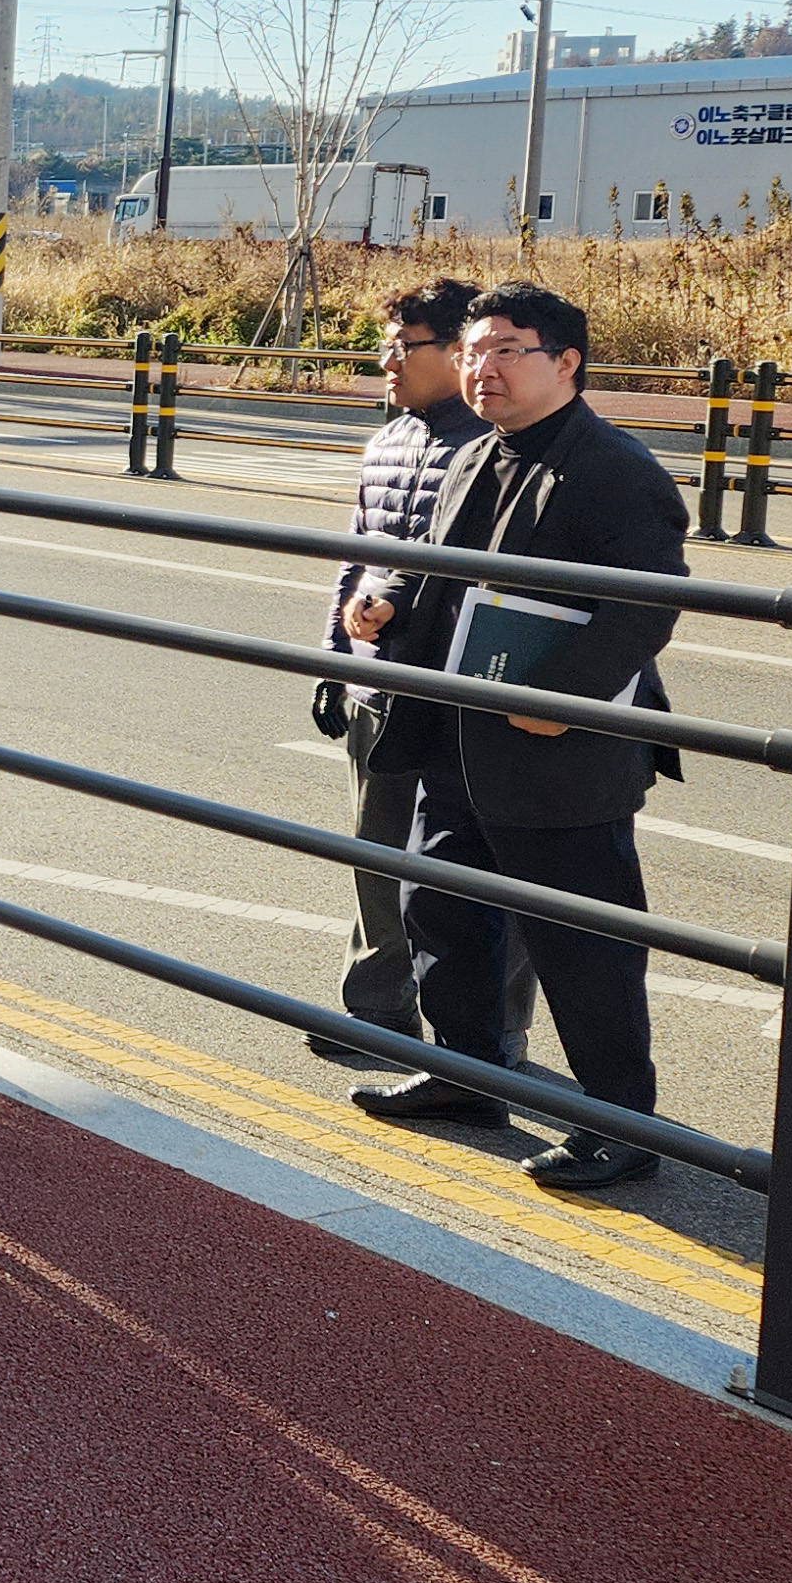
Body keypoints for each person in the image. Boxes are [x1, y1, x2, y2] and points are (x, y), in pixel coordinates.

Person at [349, 279, 687, 1192]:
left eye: (505, 350)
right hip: (458, 731)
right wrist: (389, 603)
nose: (480, 368)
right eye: (470, 351)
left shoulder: (617, 470)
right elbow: (443, 578)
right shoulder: (478, 455)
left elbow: (645, 610)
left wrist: (570, 699)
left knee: (583, 942)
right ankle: (467, 1076)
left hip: (559, 749)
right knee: (441, 909)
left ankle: (622, 1124)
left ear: (566, 361)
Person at [311, 278, 532, 1060]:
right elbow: (359, 556)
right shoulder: (390, 439)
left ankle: (493, 1037)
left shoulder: (494, 444)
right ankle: (375, 1007)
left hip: (458, 688)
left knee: (475, 870)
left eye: (407, 347)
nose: (389, 362)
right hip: (382, 679)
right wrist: (336, 661)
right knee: (374, 852)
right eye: (387, 347)